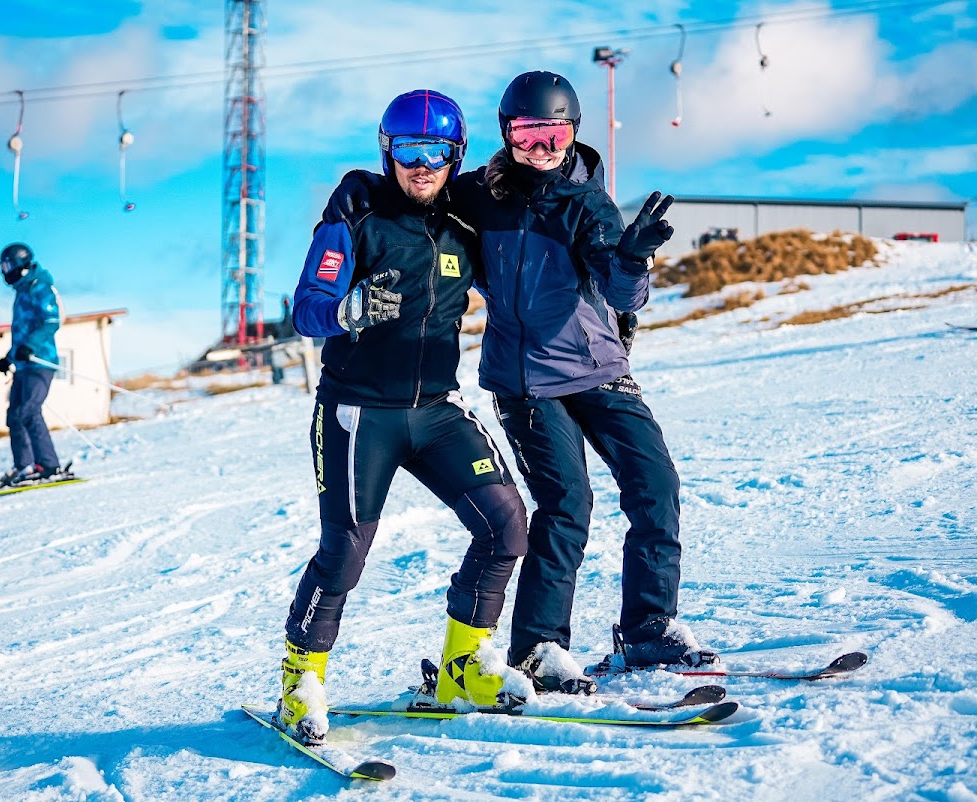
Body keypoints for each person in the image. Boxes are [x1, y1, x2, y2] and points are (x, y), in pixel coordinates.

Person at [451, 71, 718, 693]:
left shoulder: (589, 205)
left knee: (656, 485)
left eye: (555, 134)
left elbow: (624, 295)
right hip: (526, 383)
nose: (542, 148)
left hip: (598, 369)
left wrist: (633, 258)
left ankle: (649, 626)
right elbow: (420, 201)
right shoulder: (478, 197)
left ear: (573, 132)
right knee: (567, 505)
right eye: (528, 134)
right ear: (506, 134)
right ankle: (539, 648)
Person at [278, 89, 529, 744]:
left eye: (437, 151)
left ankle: (462, 667)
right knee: (344, 554)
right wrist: (348, 308)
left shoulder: (463, 225)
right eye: (410, 151)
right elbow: (307, 307)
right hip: (358, 413)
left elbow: (522, 284)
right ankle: (301, 679)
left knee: (505, 525)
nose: (423, 165)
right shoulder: (356, 213)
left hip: (436, 410)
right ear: (388, 152)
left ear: (456, 156)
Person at [0, 243, 69, 490]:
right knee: (14, 415)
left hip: (40, 361)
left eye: (8, 266)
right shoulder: (21, 292)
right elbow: (21, 333)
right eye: (2, 267)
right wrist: (9, 358)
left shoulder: (40, 287)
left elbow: (51, 322)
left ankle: (49, 465)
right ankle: (24, 466)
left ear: (21, 265)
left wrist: (30, 347)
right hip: (23, 365)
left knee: (29, 410)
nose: (5, 272)